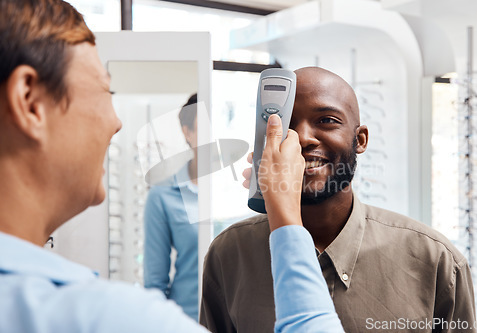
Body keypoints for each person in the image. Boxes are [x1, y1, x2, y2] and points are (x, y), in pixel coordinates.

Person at [0, 1, 344, 332]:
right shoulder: (106, 318)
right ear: (29, 101)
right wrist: (285, 215)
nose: (116, 123)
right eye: (106, 91)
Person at [200, 67, 477, 333]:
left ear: (360, 140)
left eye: (326, 120)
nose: (305, 138)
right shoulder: (228, 255)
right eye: (287, 123)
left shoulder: (437, 262)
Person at [144, 93, 199, 320]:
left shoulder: (243, 190)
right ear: (188, 133)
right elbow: (155, 284)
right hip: (187, 320)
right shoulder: (162, 196)